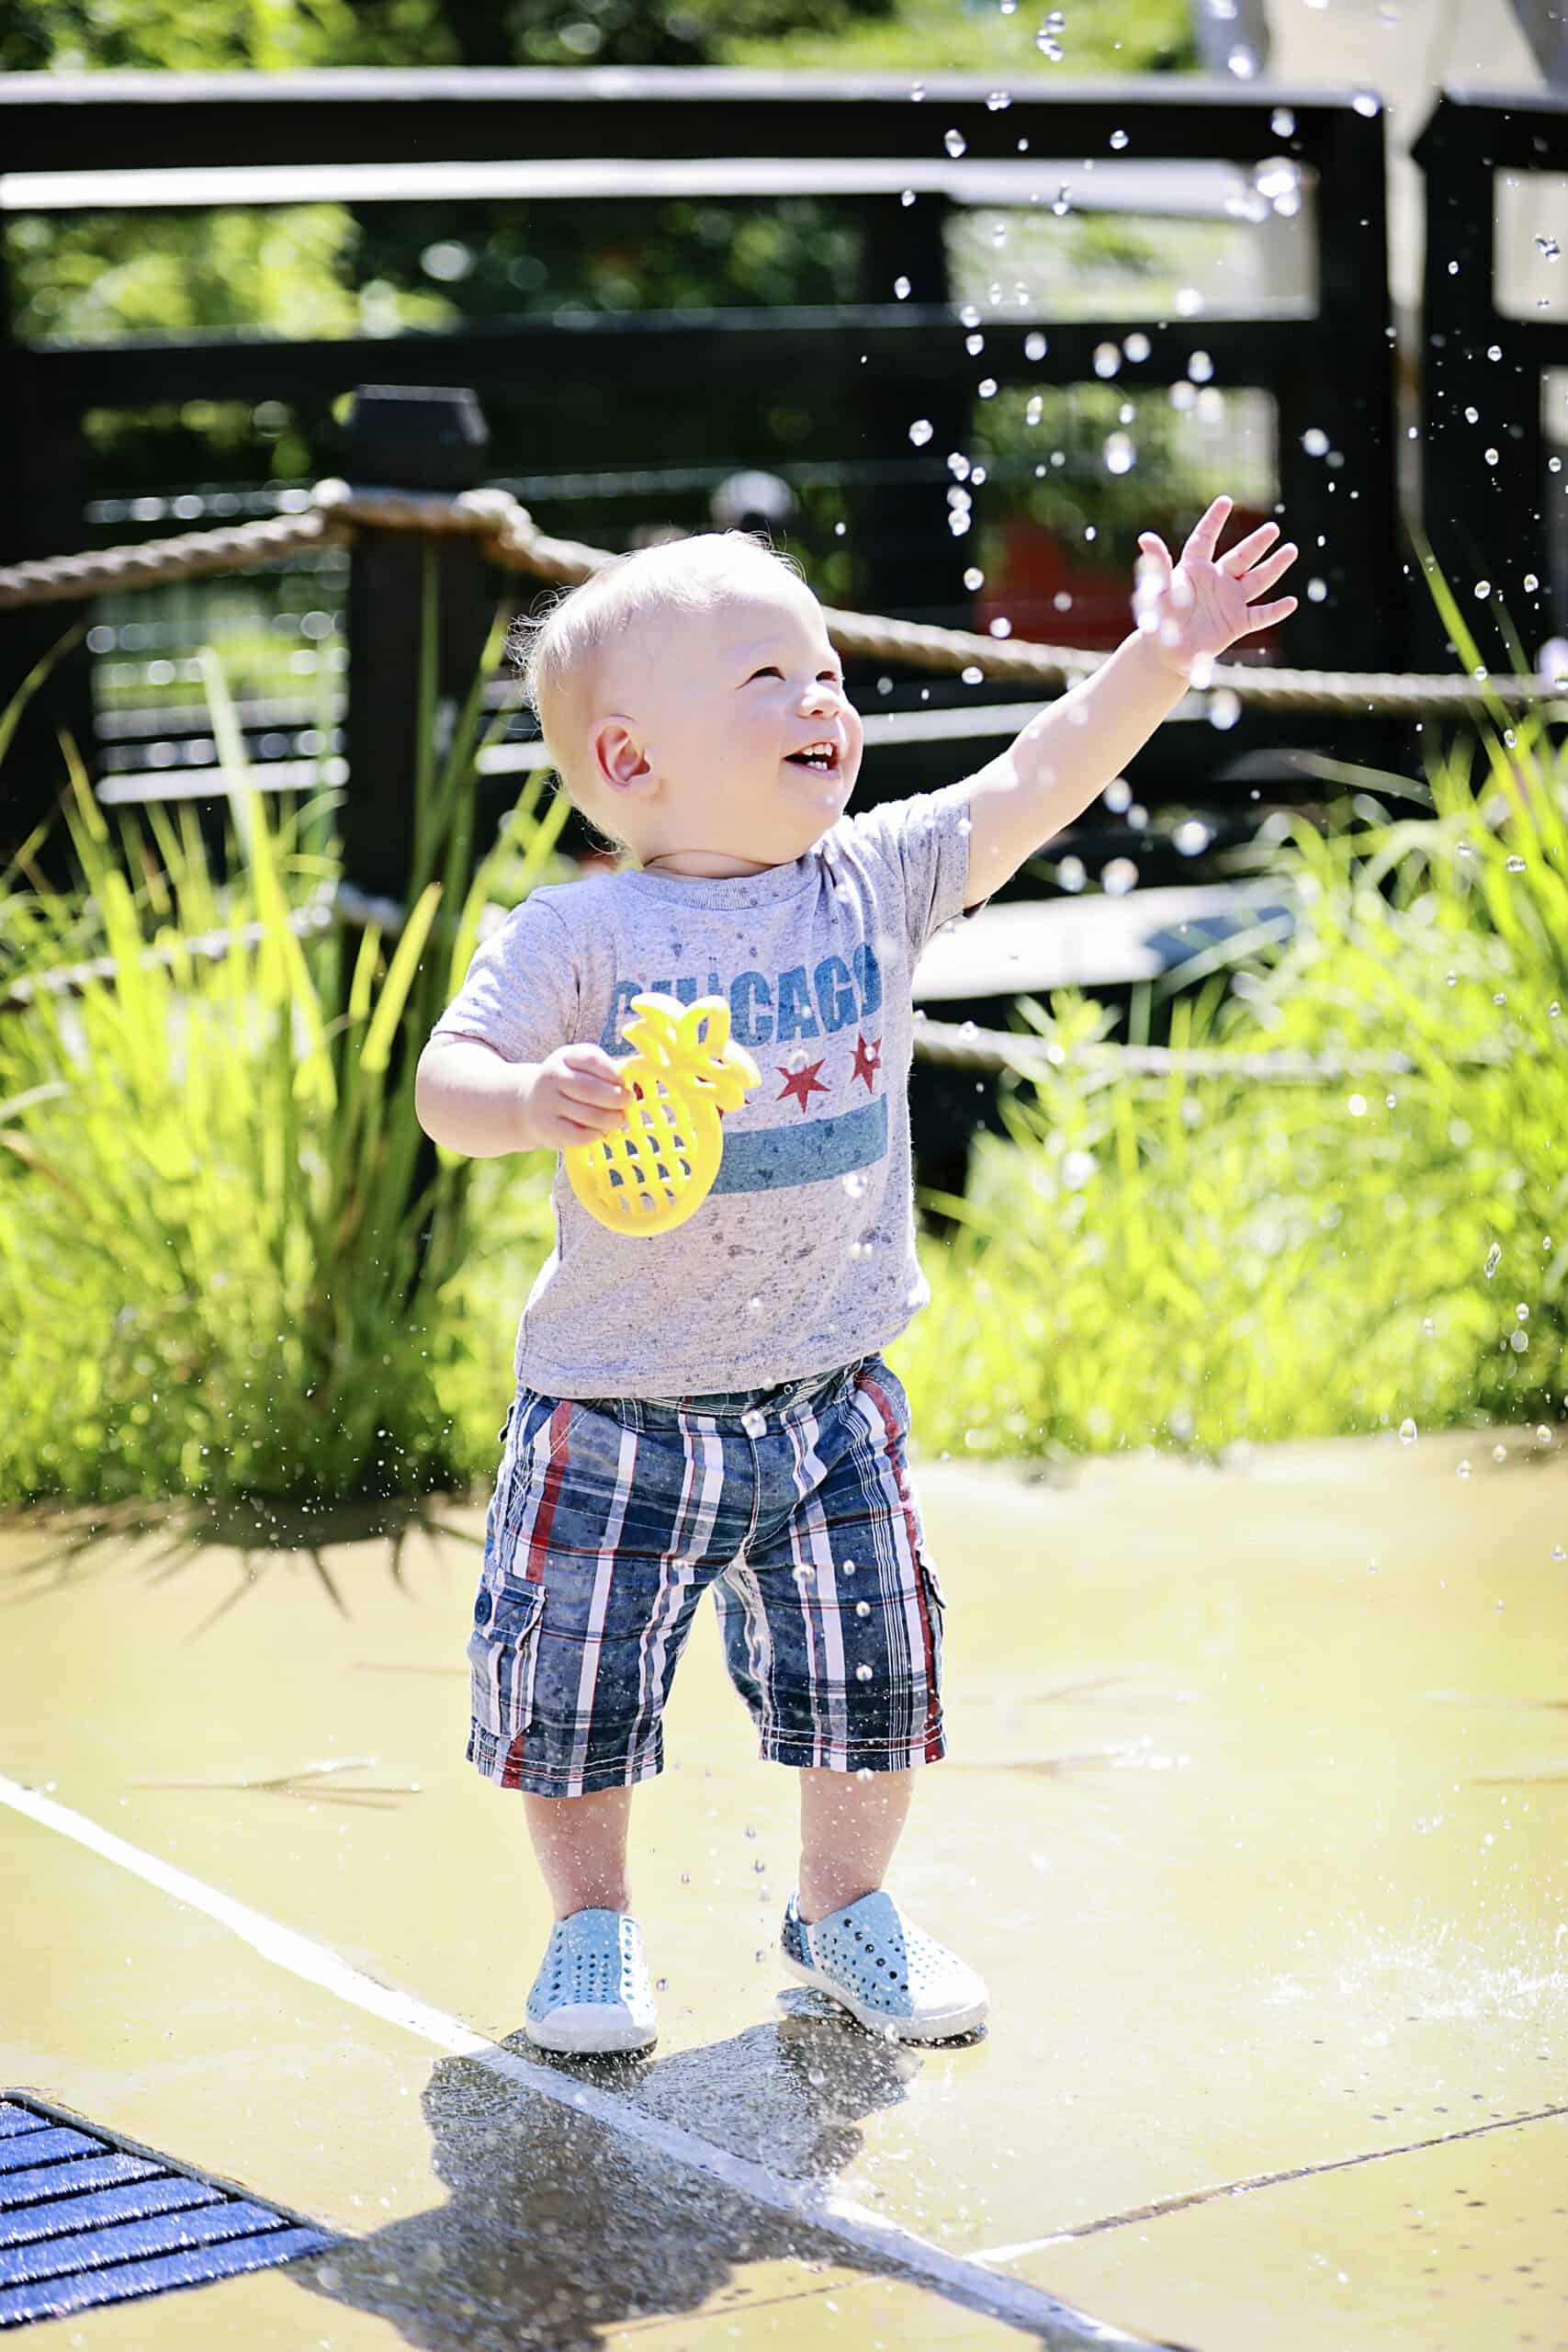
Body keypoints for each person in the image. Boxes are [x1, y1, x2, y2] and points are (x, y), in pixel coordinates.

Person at [413, 499, 1297, 2055]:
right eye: (771, 678)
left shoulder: (873, 882)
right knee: (573, 1696)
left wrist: (1157, 657)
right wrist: (528, 1099)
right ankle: (593, 1934)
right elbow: (444, 1079)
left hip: (832, 1391)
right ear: (631, 762)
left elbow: (1037, 779)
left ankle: (843, 1913)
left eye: (829, 672)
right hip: (615, 1406)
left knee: (877, 1674)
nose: (826, 699)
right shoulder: (584, 930)